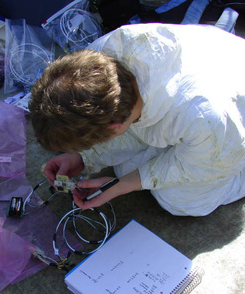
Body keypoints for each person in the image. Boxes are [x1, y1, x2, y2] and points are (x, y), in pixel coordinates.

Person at [28, 23, 245, 216]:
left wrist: (124, 185)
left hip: (229, 135)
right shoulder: (99, 58)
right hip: (201, 106)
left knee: (178, 200)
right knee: (126, 167)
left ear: (116, 126)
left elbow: (206, 164)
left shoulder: (205, 117)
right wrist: (82, 157)